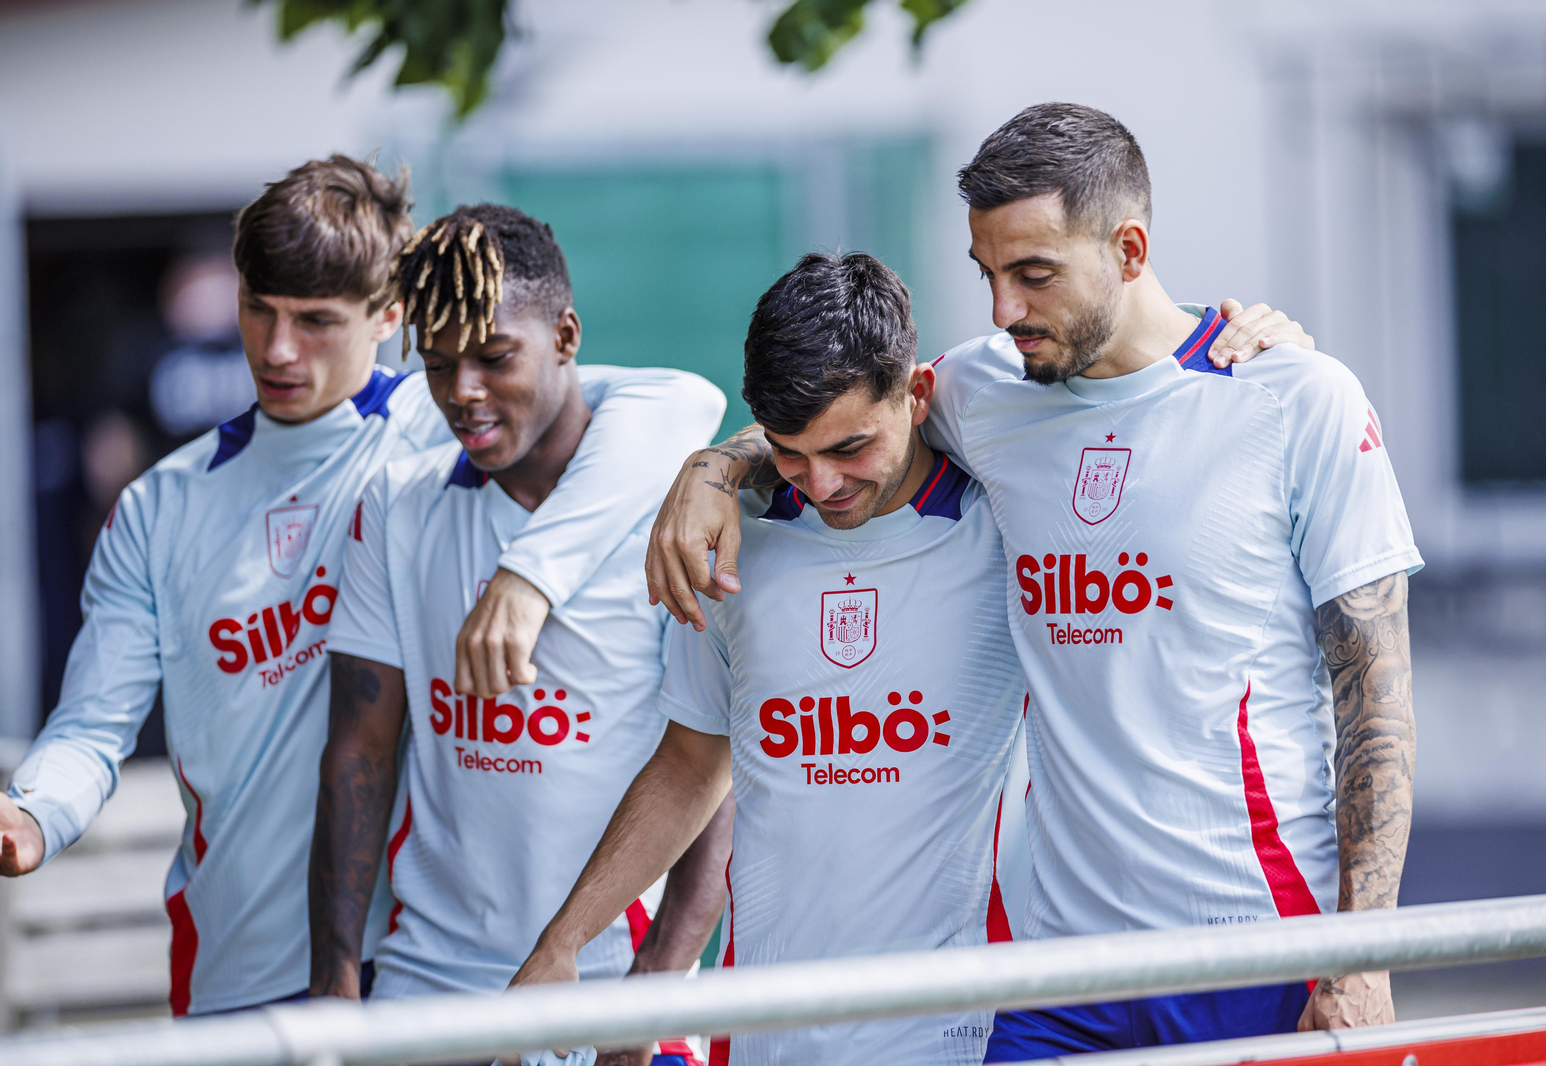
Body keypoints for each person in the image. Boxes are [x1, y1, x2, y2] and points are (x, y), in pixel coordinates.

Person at [644, 103, 1418, 1055]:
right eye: (988, 275)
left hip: (1251, 942)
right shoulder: (982, 390)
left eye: (1033, 275)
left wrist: (1361, 954)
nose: (1004, 310)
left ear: (1129, 249)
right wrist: (712, 469)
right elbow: (846, 420)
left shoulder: (1293, 399)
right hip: (1054, 967)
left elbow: (1376, 697)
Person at [0, 157, 725, 1017]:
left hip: (421, 962)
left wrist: (538, 573)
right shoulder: (161, 509)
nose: (276, 349)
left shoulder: (443, 421)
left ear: (388, 318)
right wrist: (34, 814)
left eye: (315, 321)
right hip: (248, 962)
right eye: (258, 311)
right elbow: (91, 727)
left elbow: (672, 402)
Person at [509, 251, 1031, 1066]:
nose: (822, 483)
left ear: (918, 396)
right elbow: (690, 763)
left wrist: (1246, 339)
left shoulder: (1005, 528)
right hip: (760, 1033)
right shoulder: (731, 541)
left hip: (954, 1036)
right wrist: (564, 944)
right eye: (790, 450)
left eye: (851, 447)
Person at [315, 204, 732, 1066]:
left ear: (567, 336)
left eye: (494, 357)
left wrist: (654, 984)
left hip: (614, 982)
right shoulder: (399, 505)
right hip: (431, 987)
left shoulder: (675, 511)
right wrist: (337, 983)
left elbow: (718, 767)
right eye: (436, 365)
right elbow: (360, 748)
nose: (462, 391)